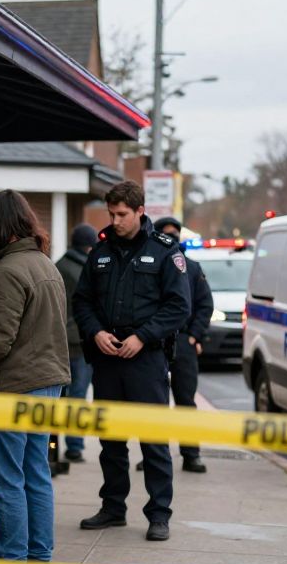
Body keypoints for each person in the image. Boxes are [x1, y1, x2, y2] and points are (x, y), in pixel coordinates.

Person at [72, 181, 190, 542]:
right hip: (108, 357)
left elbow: (179, 306)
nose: (115, 220)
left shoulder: (166, 251)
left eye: (122, 214)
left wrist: (143, 336)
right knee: (111, 440)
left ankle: (158, 514)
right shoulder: (101, 251)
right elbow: (82, 301)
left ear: (140, 211)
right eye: (111, 214)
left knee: (153, 441)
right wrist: (95, 333)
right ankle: (113, 507)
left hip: (146, 359)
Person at [0, 190, 69, 562]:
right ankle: (38, 554)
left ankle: (10, 556)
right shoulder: (44, 264)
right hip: (45, 383)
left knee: (4, 478)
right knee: (35, 473)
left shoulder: (7, 270)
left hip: (10, 387)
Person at [153, 216, 214, 473]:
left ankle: (191, 454)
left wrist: (194, 336)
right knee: (154, 403)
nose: (172, 239)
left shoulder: (191, 267)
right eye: (166, 234)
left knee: (185, 400)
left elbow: (204, 305)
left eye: (175, 234)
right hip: (153, 340)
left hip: (183, 341)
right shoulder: (150, 266)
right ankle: (153, 456)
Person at [55, 223, 99, 463]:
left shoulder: (60, 265)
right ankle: (74, 446)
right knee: (78, 396)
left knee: (60, 396)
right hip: (80, 341)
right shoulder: (85, 270)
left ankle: (53, 446)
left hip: (60, 341)